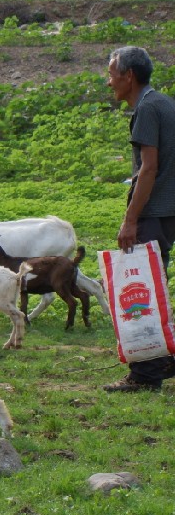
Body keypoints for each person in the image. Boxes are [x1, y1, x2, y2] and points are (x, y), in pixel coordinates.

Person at [104, 45, 175, 392]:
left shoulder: (147, 108)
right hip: (169, 210)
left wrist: (130, 220)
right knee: (157, 283)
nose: (109, 82)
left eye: (111, 73)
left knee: (141, 288)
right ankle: (163, 360)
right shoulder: (165, 103)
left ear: (128, 76)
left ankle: (146, 376)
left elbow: (148, 169)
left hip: (152, 212)